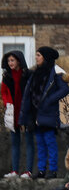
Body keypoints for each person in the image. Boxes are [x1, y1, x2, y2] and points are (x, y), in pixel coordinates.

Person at [21, 46, 69, 179]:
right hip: (36, 115)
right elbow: (27, 95)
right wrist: (23, 117)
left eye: (38, 55)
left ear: (45, 57)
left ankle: (52, 170)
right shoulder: (35, 73)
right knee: (40, 144)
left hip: (48, 114)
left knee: (50, 142)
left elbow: (65, 89)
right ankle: (41, 170)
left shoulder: (55, 72)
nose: (36, 57)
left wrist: (49, 99)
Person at [2, 49, 33, 178]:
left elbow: (32, 92)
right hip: (13, 113)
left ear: (19, 61)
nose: (10, 63)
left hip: (26, 112)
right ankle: (14, 171)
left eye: (12, 60)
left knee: (29, 141)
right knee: (15, 142)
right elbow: (4, 92)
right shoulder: (6, 76)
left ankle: (28, 171)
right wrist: (7, 103)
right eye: (8, 60)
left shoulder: (28, 75)